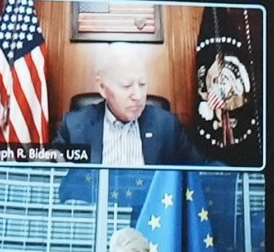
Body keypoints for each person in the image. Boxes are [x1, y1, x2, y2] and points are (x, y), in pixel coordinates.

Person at [52, 42, 209, 165]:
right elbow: (52, 176)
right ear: (102, 87)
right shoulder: (74, 126)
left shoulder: (166, 125)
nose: (138, 96)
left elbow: (203, 168)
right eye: (126, 86)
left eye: (142, 84)